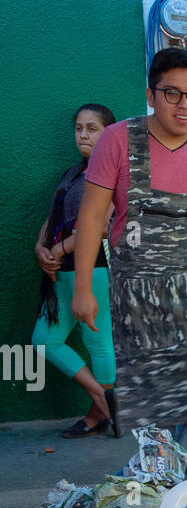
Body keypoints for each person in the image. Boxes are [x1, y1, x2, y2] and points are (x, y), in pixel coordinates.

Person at [71, 48, 187, 468]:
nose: (184, 105)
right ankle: (158, 496)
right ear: (150, 94)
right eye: (172, 94)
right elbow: (90, 221)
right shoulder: (118, 140)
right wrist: (84, 290)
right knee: (158, 418)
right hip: (139, 299)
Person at [32, 103, 117, 438]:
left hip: (95, 267)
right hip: (60, 271)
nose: (83, 134)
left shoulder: (112, 171)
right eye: (79, 128)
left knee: (98, 342)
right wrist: (40, 248)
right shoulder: (72, 173)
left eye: (92, 128)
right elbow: (51, 219)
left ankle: (98, 414)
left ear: (108, 133)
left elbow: (103, 225)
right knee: (44, 340)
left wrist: (59, 248)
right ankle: (104, 398)